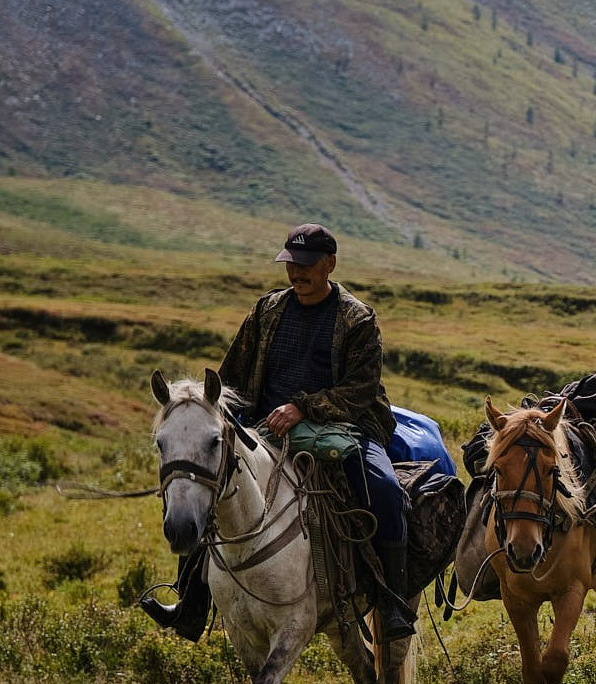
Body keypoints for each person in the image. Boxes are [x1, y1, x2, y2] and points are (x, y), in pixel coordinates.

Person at [141, 224, 416, 640]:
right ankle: (190, 603)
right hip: (265, 427)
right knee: (206, 481)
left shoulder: (357, 319)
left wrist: (303, 407)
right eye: (291, 265)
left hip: (346, 427)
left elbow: (360, 389)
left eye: (306, 266)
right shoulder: (267, 311)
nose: (296, 274)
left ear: (330, 265)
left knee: (385, 488)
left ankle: (392, 601)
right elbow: (232, 376)